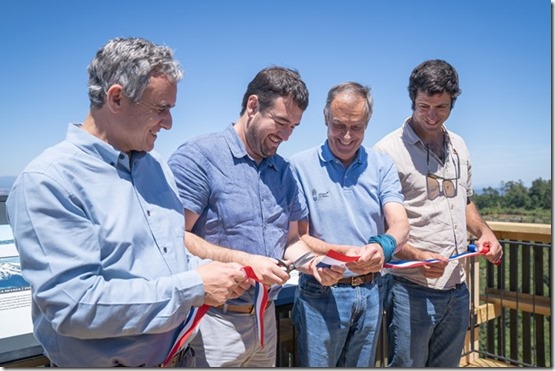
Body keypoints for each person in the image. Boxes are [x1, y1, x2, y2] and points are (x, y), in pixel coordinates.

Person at [5, 37, 250, 368]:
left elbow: (168, 259)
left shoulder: (157, 166)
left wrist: (207, 271)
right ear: (116, 98)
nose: (169, 123)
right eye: (161, 108)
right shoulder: (48, 181)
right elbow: (74, 306)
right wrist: (194, 286)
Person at [167, 66, 344, 367]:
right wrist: (248, 262)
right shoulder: (199, 157)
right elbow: (173, 238)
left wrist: (313, 264)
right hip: (211, 322)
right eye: (281, 122)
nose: (286, 136)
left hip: (266, 321)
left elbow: (291, 241)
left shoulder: (284, 172)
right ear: (252, 106)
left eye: (294, 127)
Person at [374, 59, 504, 367]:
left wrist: (485, 232)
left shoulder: (459, 145)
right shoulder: (386, 152)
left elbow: (466, 202)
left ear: (453, 103)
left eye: (441, 107)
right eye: (424, 107)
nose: (432, 116)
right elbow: (379, 228)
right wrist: (416, 254)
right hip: (410, 289)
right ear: (412, 100)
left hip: (457, 289)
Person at [287, 82, 410, 367]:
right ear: (325, 119)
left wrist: (384, 247)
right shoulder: (298, 166)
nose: (346, 136)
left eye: (356, 127)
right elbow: (300, 236)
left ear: (367, 123)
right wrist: (345, 254)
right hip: (320, 292)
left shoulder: (382, 165)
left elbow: (400, 224)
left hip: (372, 291)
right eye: (338, 125)